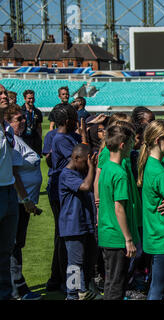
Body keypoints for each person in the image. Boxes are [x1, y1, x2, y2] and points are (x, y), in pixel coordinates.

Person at [4, 105, 42, 300]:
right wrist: (26, 199)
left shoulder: (17, 139)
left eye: (23, 118)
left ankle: (17, 286)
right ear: (8, 122)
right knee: (13, 246)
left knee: (15, 245)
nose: (23, 121)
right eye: (18, 119)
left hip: (21, 201)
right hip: (18, 200)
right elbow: (14, 172)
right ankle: (17, 288)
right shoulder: (11, 140)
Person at [98, 124, 139, 300]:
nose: (133, 146)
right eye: (131, 143)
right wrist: (128, 239)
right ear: (123, 145)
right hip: (117, 237)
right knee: (117, 284)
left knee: (112, 282)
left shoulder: (106, 166)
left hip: (107, 233)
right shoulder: (120, 173)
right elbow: (119, 207)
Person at [137, 120, 164, 300]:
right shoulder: (160, 171)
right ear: (159, 140)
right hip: (163, 236)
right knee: (158, 289)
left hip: (154, 234)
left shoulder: (152, 164)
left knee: (157, 285)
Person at [46, 104, 82, 293]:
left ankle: (62, 281)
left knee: (68, 237)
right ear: (68, 121)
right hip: (64, 192)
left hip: (69, 190)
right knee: (67, 237)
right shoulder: (61, 138)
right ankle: (66, 284)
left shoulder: (69, 136)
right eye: (75, 117)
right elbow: (82, 159)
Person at [59, 144, 98, 300]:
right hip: (72, 226)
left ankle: (82, 291)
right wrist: (91, 168)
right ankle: (72, 295)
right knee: (74, 264)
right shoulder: (67, 174)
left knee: (87, 262)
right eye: (85, 161)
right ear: (75, 158)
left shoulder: (80, 172)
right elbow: (86, 186)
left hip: (85, 224)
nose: (87, 164)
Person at [0, 84, 19, 300]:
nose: (5, 96)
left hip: (9, 191)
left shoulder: (8, 127)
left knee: (5, 252)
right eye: (0, 94)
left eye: (5, 93)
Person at [20, 90, 43, 156]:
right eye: (29, 98)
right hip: (24, 139)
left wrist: (40, 140)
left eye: (33, 98)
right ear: (24, 99)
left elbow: (39, 127)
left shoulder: (37, 112)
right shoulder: (20, 111)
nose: (31, 100)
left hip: (34, 140)